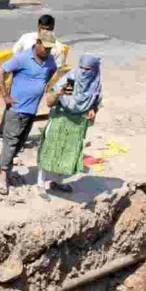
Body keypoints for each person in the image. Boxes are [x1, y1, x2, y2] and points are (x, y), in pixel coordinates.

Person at [0, 31, 59, 194]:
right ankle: (2, 176)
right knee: (10, 142)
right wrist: (5, 96)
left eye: (50, 49)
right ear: (37, 43)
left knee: (19, 142)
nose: (47, 51)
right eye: (45, 48)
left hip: (31, 111)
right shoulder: (23, 57)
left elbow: (52, 72)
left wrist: (41, 87)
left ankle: (5, 166)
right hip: (16, 109)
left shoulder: (50, 60)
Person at [36, 55, 102, 196]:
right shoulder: (69, 77)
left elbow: (96, 101)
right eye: (82, 68)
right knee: (50, 150)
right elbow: (50, 99)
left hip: (77, 123)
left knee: (66, 153)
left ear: (95, 70)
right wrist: (59, 93)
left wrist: (92, 109)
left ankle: (57, 182)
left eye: (88, 69)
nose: (83, 72)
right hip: (61, 117)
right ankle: (40, 184)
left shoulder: (95, 84)